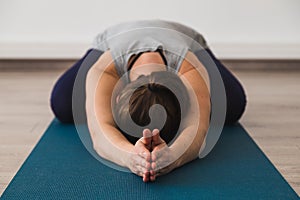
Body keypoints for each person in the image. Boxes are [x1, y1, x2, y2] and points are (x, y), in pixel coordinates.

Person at [50, 19, 246, 182]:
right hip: (115, 37)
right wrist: (132, 158)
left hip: (186, 39)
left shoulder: (189, 65)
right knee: (63, 104)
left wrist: (172, 157)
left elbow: (197, 128)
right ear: (116, 96)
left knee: (233, 106)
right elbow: (99, 133)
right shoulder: (105, 68)